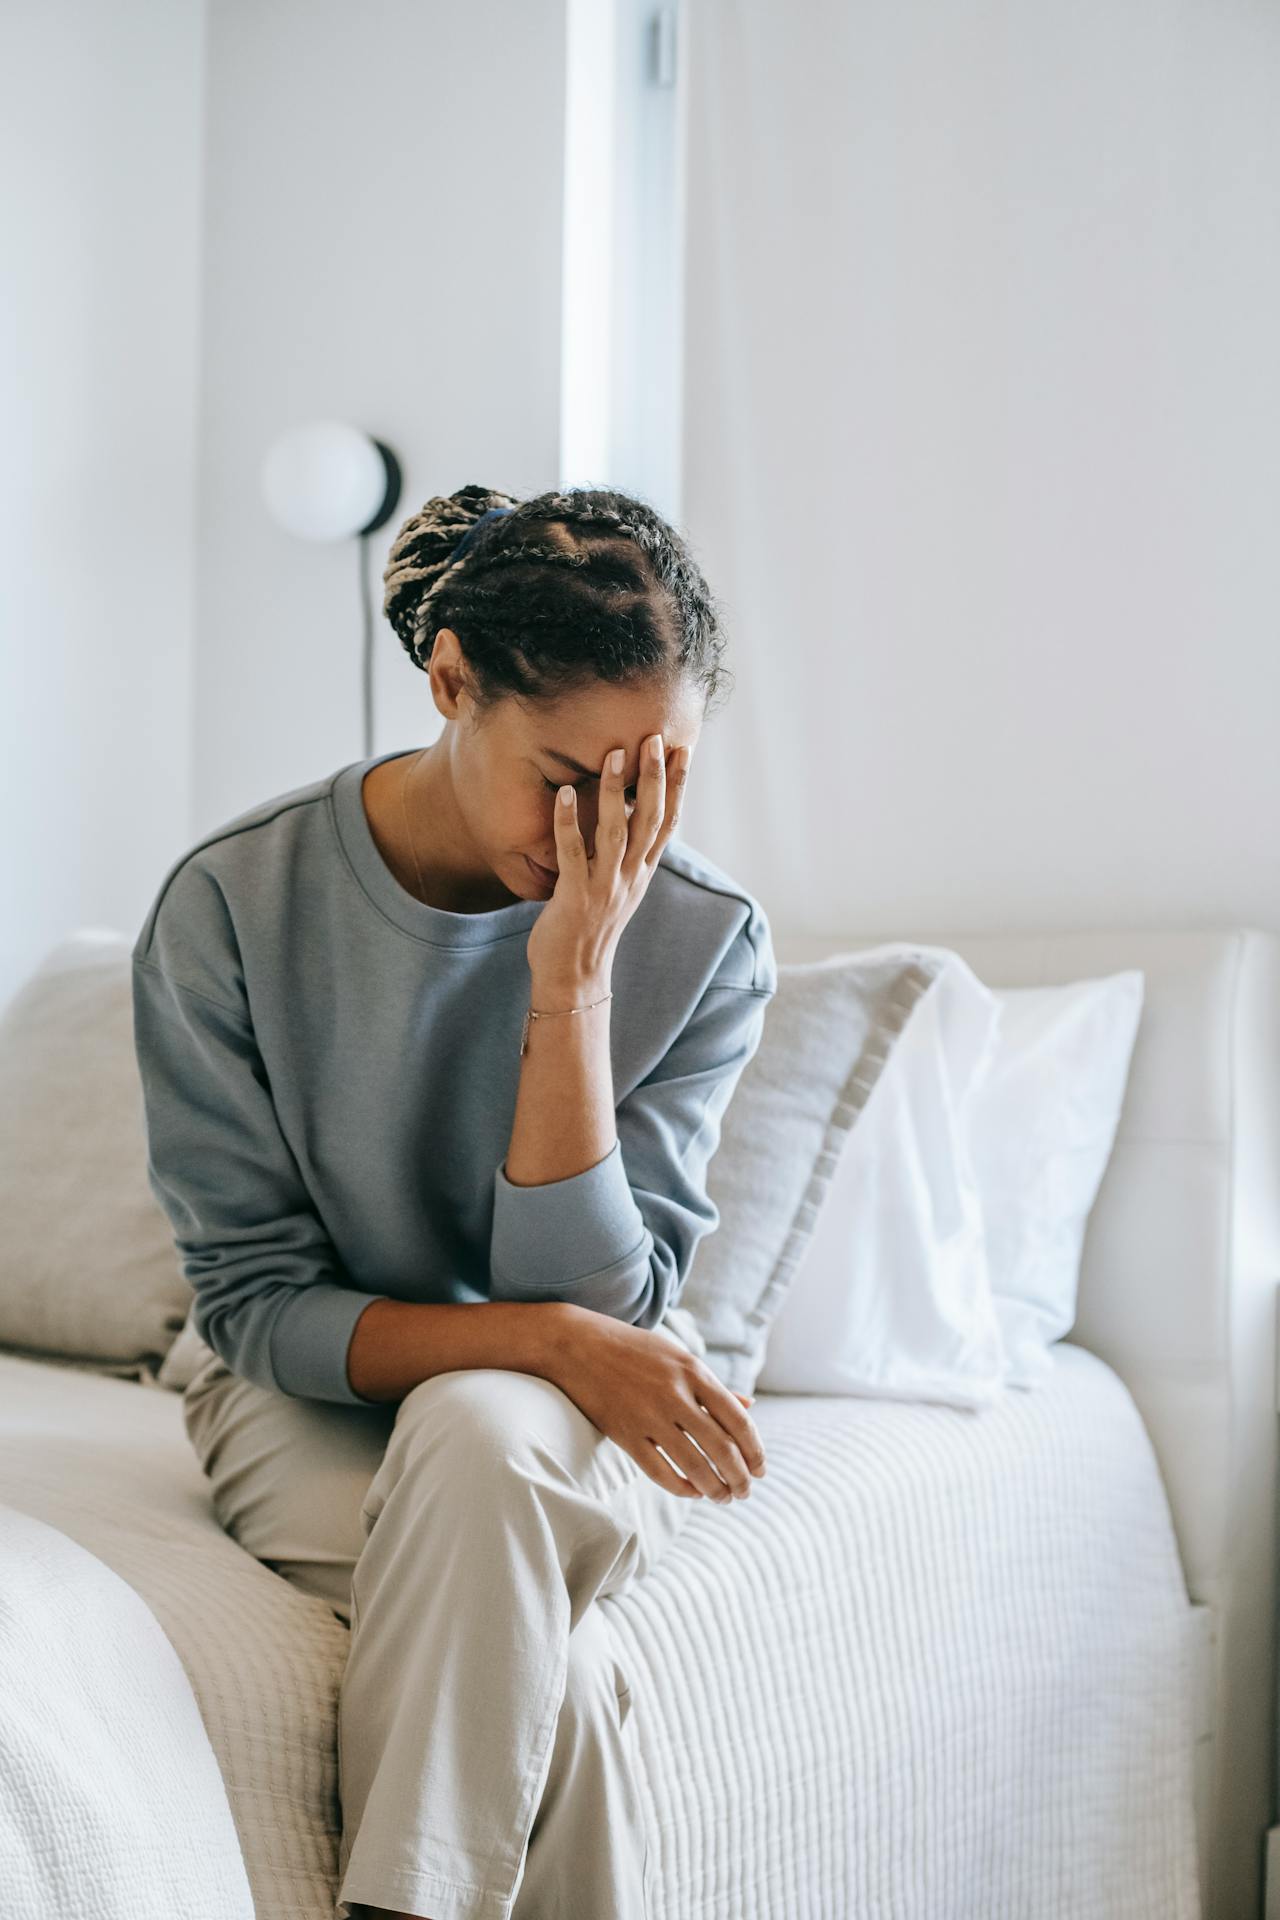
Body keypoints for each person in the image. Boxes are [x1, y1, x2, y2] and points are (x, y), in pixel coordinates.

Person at [131, 483, 776, 1920]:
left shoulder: (702, 940)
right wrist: (535, 1340)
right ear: (450, 682)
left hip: (592, 1406)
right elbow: (256, 1308)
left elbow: (609, 1307)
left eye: (648, 782)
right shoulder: (232, 905)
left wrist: (573, 981)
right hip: (313, 1396)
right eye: (563, 773)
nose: (602, 832)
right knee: (568, 1668)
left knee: (483, 1440)